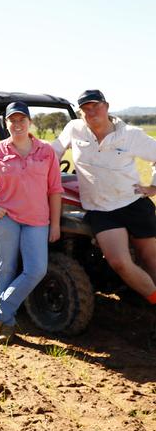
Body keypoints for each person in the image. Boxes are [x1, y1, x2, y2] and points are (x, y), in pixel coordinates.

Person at [0, 102, 63, 344]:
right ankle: (5, 327)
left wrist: (56, 224)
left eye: (22, 119)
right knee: (6, 269)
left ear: (30, 122)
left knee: (36, 270)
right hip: (4, 218)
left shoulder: (46, 151)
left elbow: (55, 190)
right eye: (12, 120)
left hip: (37, 220)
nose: (17, 124)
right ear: (6, 123)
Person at [52, 90, 156, 305]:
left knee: (150, 260)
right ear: (80, 113)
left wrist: (153, 186)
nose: (91, 111)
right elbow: (53, 154)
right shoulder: (74, 129)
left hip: (133, 203)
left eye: (95, 105)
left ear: (106, 106)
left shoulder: (130, 134)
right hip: (101, 210)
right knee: (119, 262)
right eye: (85, 108)